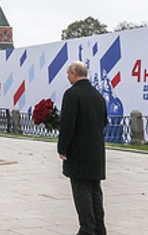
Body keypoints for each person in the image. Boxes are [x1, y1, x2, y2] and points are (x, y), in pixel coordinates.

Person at [58, 60, 108, 235]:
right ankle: (99, 228)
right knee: (95, 191)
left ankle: (87, 229)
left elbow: (68, 124)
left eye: (68, 74)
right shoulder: (97, 95)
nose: (67, 77)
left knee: (82, 191)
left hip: (78, 152)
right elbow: (104, 121)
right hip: (96, 151)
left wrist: (62, 148)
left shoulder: (72, 94)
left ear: (74, 73)